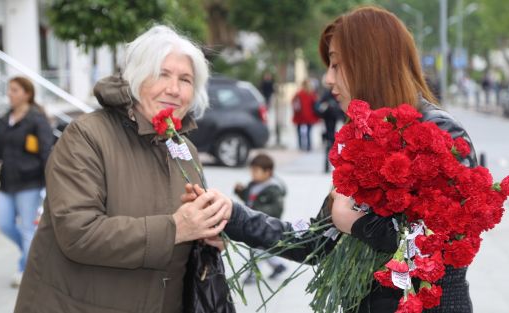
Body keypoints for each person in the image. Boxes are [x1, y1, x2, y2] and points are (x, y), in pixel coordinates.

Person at [183, 6, 478, 313]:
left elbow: (446, 247)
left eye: (337, 65)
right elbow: (316, 241)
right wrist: (233, 216)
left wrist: (359, 224)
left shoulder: (440, 134)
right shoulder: (362, 139)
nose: (327, 79)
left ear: (371, 63)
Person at [13, 25, 230, 313]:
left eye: (185, 79)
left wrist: (207, 233)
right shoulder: (86, 136)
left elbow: (183, 230)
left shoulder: (184, 150)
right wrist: (177, 228)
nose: (174, 89)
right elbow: (78, 234)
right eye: (162, 74)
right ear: (136, 78)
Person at [0, 76, 54, 287]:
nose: (10, 94)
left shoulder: (37, 120)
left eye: (14, 90)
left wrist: (51, 182)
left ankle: (25, 269)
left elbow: (46, 152)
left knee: (27, 229)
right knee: (4, 224)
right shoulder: (5, 120)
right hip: (7, 183)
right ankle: (33, 253)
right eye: (9, 90)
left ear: (27, 94)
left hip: (30, 184)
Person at [233, 153, 287, 283]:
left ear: (268, 172)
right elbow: (248, 198)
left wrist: (259, 212)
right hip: (252, 222)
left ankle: (252, 274)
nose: (253, 174)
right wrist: (240, 191)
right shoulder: (253, 184)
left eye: (256, 171)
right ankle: (278, 265)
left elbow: (277, 209)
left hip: (265, 225)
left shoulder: (273, 189)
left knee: (256, 249)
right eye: (252, 171)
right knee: (262, 248)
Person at [314, 83, 343, 172]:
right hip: (328, 127)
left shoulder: (340, 94)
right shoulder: (327, 94)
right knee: (329, 147)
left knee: (338, 148)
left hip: (337, 125)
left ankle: (339, 167)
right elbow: (318, 109)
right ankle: (327, 167)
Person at [292, 79, 319, 151]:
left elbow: (293, 101)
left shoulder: (299, 93)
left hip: (300, 115)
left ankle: (301, 145)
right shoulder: (311, 93)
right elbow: (315, 103)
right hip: (309, 116)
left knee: (299, 131)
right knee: (309, 132)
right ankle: (308, 146)